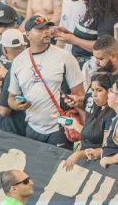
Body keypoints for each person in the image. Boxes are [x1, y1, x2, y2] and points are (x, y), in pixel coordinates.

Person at [8, 15, 85, 148]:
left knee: (59, 168)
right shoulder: (18, 61)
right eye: (40, 29)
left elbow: (81, 96)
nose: (46, 31)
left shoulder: (65, 57)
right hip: (32, 127)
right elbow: (11, 98)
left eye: (47, 28)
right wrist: (17, 105)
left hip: (59, 127)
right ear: (28, 34)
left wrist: (84, 133)